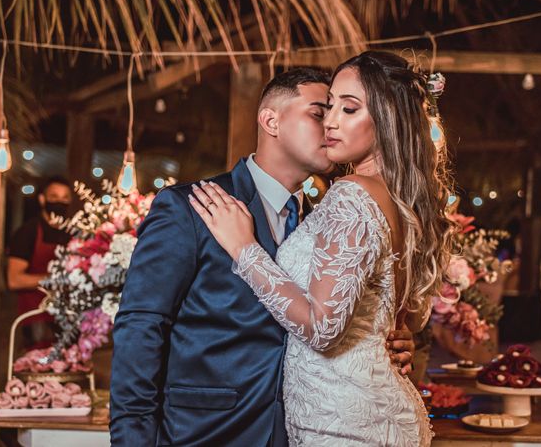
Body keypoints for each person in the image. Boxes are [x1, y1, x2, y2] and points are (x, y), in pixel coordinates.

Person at [110, 67, 418, 446]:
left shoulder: (325, 221)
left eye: (342, 111)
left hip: (303, 432)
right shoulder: (192, 208)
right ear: (270, 120)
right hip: (206, 432)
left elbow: (331, 317)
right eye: (320, 112)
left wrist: (382, 337)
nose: (331, 125)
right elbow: (141, 328)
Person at [189, 51, 452, 445]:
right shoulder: (395, 199)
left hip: (345, 424)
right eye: (328, 108)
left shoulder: (353, 195)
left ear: (387, 118)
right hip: (358, 412)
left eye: (348, 109)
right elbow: (404, 317)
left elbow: (323, 328)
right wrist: (392, 339)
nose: (330, 121)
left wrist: (244, 248)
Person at [6, 176, 73, 346]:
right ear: (42, 199)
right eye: (54, 197)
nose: (60, 202)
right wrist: (55, 279)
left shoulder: (74, 233)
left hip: (69, 316)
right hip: (36, 317)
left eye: (65, 198)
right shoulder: (27, 233)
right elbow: (14, 280)